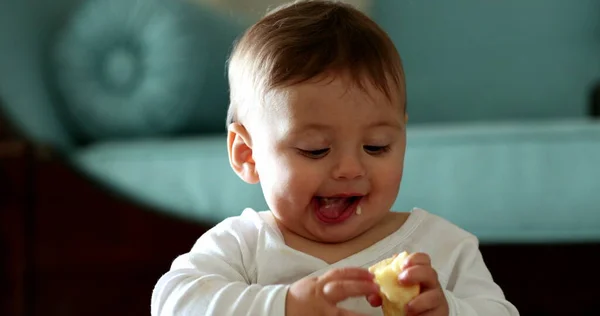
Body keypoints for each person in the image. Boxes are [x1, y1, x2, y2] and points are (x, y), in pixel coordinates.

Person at [151, 1, 520, 315]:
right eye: (316, 150)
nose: (349, 169)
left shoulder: (442, 246)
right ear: (247, 154)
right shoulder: (244, 246)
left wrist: (450, 309)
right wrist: (286, 304)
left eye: (376, 146)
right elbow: (172, 302)